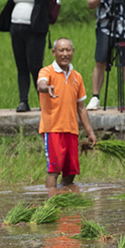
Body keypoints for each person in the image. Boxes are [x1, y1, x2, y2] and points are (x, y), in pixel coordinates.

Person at [36, 38, 97, 188]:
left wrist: (90, 132)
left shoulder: (77, 77)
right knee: (54, 170)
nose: (65, 54)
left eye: (68, 50)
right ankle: (51, 203)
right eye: (61, 50)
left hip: (71, 130)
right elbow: (40, 84)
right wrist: (46, 88)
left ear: (73, 52)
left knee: (71, 172)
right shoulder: (47, 72)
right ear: (54, 52)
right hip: (53, 129)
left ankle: (66, 202)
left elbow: (81, 107)